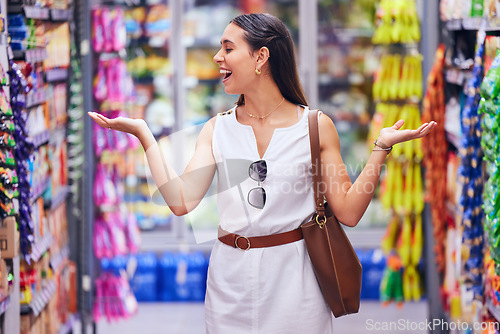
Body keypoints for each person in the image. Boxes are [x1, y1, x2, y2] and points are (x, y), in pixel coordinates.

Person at [89, 13, 436, 334]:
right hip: (229, 287)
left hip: (296, 288)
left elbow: (348, 211)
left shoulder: (314, 127)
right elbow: (181, 201)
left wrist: (380, 148)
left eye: (228, 48)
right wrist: (145, 136)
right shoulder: (217, 129)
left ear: (261, 58)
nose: (217, 58)